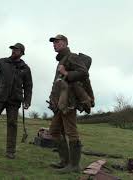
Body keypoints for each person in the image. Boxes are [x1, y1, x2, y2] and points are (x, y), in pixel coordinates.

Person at [48, 34, 89, 173]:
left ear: (65, 43)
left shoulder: (72, 57)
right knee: (54, 131)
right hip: (60, 102)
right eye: (53, 43)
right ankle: (65, 161)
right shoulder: (61, 60)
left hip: (69, 101)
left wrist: (66, 72)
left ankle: (75, 165)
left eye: (57, 42)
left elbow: (83, 73)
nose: (54, 44)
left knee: (71, 132)